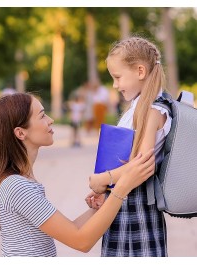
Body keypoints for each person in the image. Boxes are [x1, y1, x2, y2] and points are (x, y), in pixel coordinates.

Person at [0, 92, 155, 257]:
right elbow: (81, 241)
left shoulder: (19, 182)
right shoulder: (17, 186)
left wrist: (97, 208)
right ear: (20, 132)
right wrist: (122, 187)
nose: (51, 120)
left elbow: (71, 229)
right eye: (42, 116)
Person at [87, 36, 172, 257]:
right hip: (124, 201)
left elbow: (142, 165)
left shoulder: (154, 108)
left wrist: (102, 179)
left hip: (137, 208)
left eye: (117, 77)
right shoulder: (139, 105)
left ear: (140, 71)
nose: (115, 85)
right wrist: (106, 190)